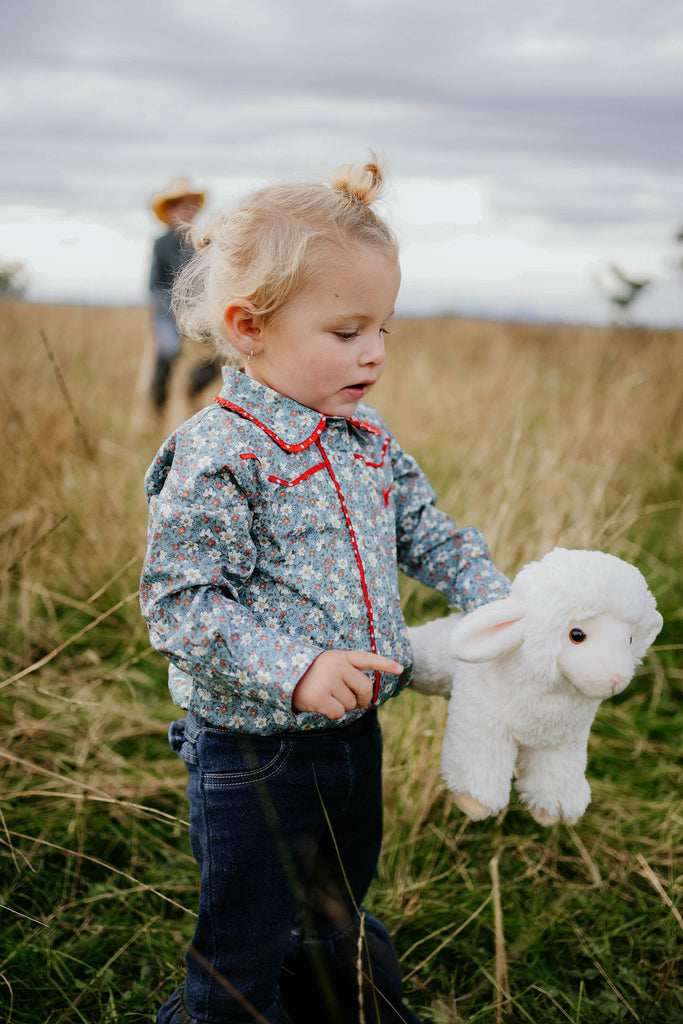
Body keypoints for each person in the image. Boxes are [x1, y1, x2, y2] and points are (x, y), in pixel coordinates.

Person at [139, 158, 510, 1024]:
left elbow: (426, 529)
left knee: (335, 913)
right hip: (252, 749)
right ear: (250, 327)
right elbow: (181, 603)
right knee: (245, 943)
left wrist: (493, 599)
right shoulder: (217, 454)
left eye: (383, 329)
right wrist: (295, 666)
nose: (373, 353)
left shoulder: (365, 438)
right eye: (346, 333)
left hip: (354, 733)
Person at [148, 177, 221, 411]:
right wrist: (173, 310)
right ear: (170, 211)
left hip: (196, 310)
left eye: (191, 205)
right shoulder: (161, 243)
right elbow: (155, 286)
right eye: (181, 205)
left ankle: (194, 385)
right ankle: (158, 401)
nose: (187, 210)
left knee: (228, 344)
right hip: (167, 312)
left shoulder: (199, 242)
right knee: (169, 348)